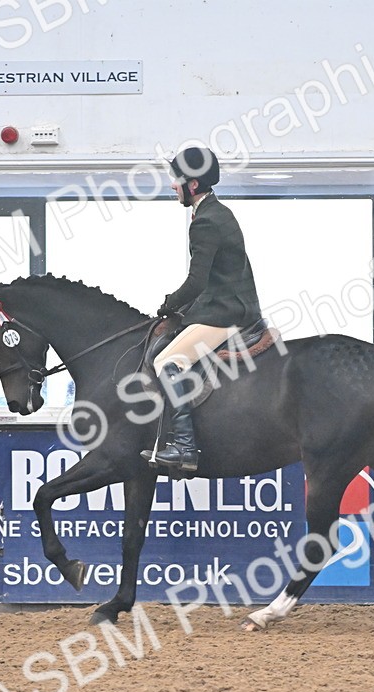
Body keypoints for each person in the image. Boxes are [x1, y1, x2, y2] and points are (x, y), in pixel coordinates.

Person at [144, 146, 262, 472]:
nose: (171, 186)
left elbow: (196, 281)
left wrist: (169, 303)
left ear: (192, 184)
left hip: (226, 314)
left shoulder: (206, 221)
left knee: (167, 360)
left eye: (176, 180)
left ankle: (184, 447)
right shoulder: (213, 212)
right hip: (227, 304)